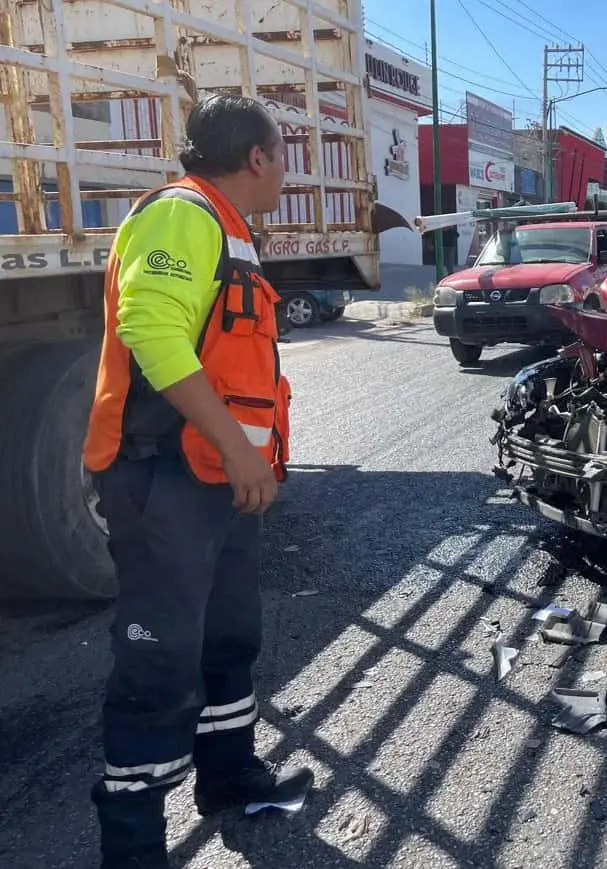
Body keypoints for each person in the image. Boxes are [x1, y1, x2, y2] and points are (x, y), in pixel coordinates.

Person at [82, 94, 313, 869]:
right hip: (164, 475)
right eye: (282, 152)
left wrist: (245, 460)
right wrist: (237, 449)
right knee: (158, 662)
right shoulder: (185, 216)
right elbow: (148, 329)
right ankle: (135, 845)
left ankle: (228, 776)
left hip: (214, 481)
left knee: (228, 639)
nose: (285, 168)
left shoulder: (230, 226)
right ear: (257, 157)